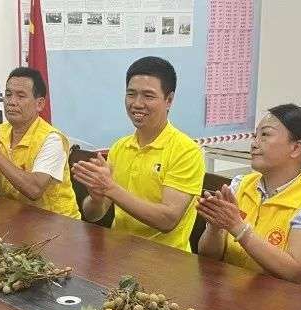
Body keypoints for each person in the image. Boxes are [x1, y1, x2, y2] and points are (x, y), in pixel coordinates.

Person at [196, 104, 301, 290]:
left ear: (296, 148)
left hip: (289, 305)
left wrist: (238, 227)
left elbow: (294, 272)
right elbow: (208, 257)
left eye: (265, 135)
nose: (254, 143)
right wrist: (215, 228)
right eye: (255, 135)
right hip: (234, 295)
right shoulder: (241, 185)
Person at [73, 56, 204, 252]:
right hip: (117, 254)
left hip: (167, 260)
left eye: (148, 96)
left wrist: (110, 188)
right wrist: (96, 198)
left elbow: (167, 220)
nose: (137, 104)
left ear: (169, 100)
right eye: (131, 94)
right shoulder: (119, 147)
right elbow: (93, 215)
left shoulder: (187, 151)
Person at [0, 67, 80, 219]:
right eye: (8, 95)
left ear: (39, 104)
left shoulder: (52, 139)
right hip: (17, 219)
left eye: (21, 96)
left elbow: (34, 190)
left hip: (58, 223)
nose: (11, 102)